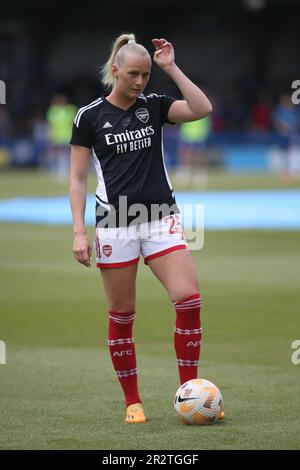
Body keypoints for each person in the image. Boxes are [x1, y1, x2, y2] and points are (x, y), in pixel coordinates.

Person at [70, 33, 224, 424]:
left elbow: (202, 108)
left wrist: (171, 67)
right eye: (133, 75)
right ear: (116, 71)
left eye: (147, 75)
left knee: (188, 299)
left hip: (160, 218)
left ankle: (189, 395)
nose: (140, 82)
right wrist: (79, 231)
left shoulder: (154, 106)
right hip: (115, 226)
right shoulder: (88, 117)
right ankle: (133, 402)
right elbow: (77, 180)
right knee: (123, 314)